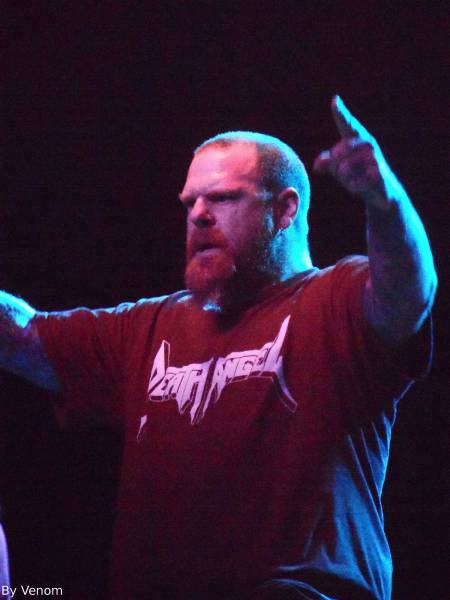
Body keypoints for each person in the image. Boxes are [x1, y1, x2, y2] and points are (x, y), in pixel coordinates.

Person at [0, 97, 437, 600]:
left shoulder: (334, 301)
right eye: (189, 203)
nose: (199, 215)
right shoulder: (148, 327)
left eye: (223, 198)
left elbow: (409, 290)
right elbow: (21, 334)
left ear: (285, 209)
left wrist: (385, 202)